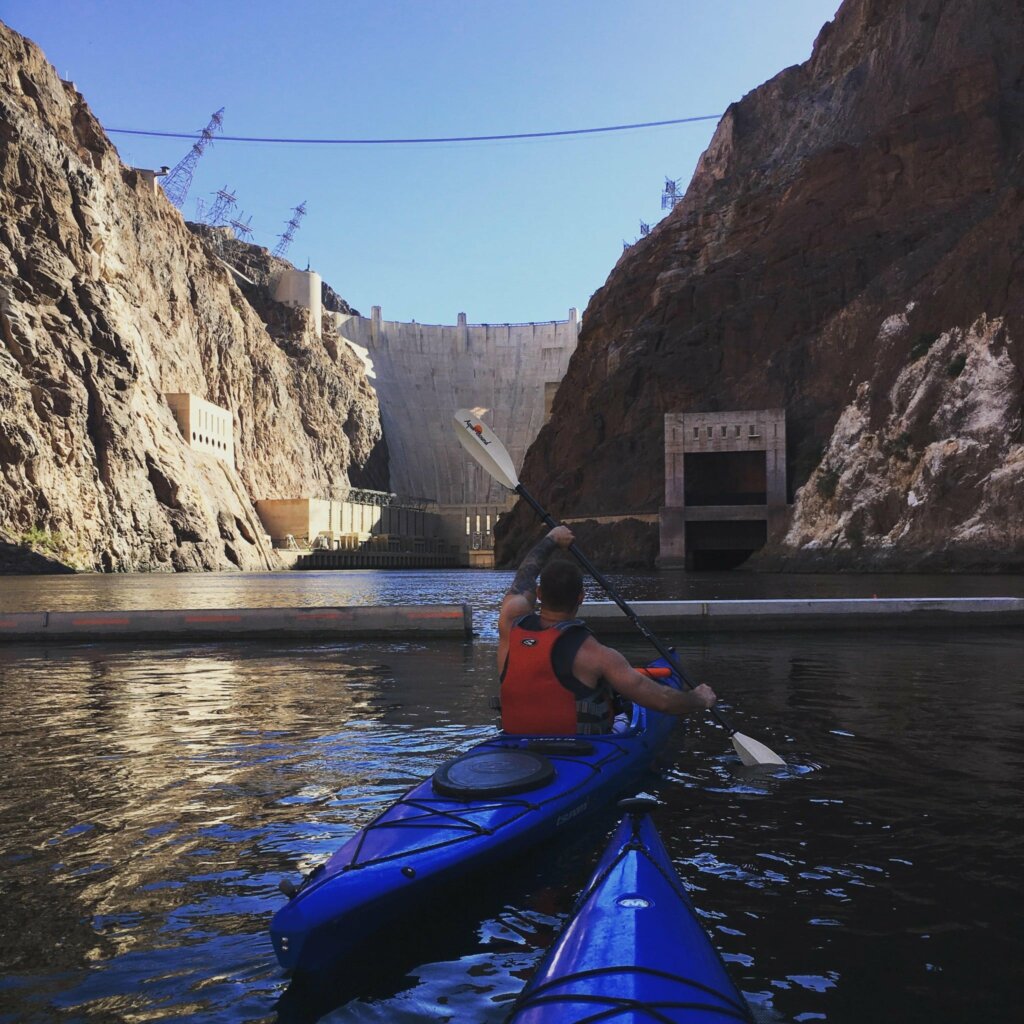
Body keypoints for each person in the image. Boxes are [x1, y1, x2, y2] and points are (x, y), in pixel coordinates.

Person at [497, 525, 717, 735]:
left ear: (539, 593)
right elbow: (663, 701)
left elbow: (524, 576)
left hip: (515, 744)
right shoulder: (597, 655)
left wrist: (552, 539)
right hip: (579, 750)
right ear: (581, 598)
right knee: (622, 707)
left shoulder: (510, 624)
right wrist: (699, 698)